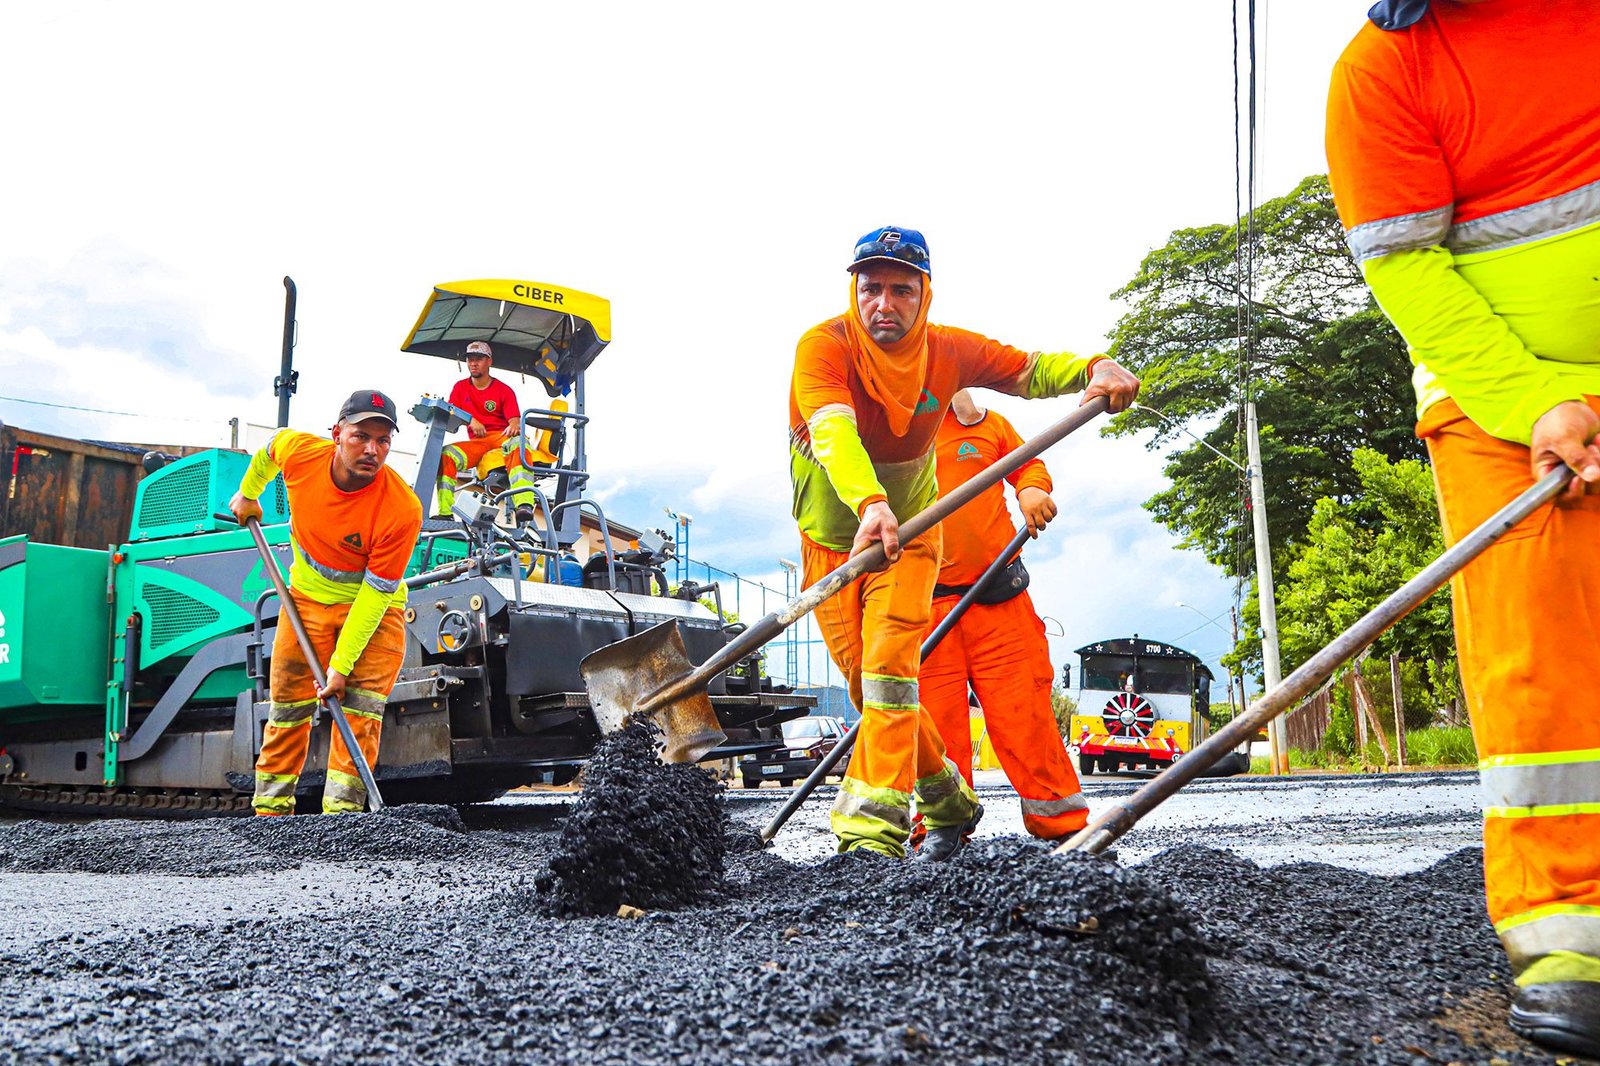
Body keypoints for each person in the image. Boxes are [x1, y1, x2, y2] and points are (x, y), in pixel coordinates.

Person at [1326, 2, 1600, 1055]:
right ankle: (1570, 940)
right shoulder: (1384, 70)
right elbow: (1407, 269)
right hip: (1497, 408)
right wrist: (1533, 400)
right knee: (1541, 664)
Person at [790, 225, 1139, 859]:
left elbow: (1028, 370)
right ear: (854, 291)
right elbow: (833, 430)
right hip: (834, 543)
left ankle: (869, 838)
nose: (885, 304)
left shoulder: (949, 355)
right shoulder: (824, 348)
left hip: (914, 539)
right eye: (872, 288)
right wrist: (869, 503)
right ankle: (948, 799)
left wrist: (1094, 367)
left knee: (890, 675)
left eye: (902, 289)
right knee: (879, 695)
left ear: (925, 295)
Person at [229, 390, 424, 816]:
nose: (372, 449)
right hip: (306, 603)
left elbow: (375, 596)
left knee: (360, 712)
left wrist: (340, 667)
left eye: (383, 440)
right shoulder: (301, 454)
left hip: (375, 615)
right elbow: (269, 449)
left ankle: (342, 821)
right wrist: (248, 493)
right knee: (288, 708)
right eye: (360, 436)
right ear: (336, 433)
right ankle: (270, 814)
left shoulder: (402, 509)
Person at [917, 389, 1089, 841]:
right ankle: (941, 829)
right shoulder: (891, 436)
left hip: (998, 601)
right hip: (923, 609)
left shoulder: (987, 426)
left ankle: (1061, 827)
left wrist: (1032, 488)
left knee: (1026, 721)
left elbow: (1028, 462)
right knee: (934, 734)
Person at [437, 341, 537, 523]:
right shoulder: (460, 387)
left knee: (518, 442)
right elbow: (451, 412)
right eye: (470, 359)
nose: (473, 363)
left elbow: (515, 419)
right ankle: (445, 513)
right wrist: (470, 419)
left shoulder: (503, 390)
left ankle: (524, 504)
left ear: (489, 361)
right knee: (447, 454)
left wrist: (515, 425)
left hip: (501, 438)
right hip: (478, 443)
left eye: (478, 359)